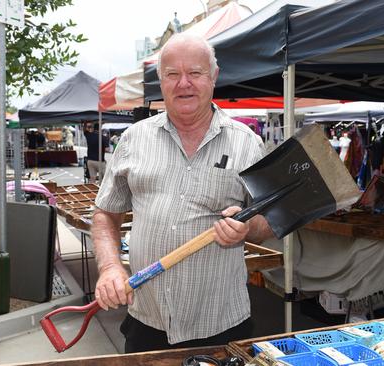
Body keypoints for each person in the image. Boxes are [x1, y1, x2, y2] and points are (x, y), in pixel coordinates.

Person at [91, 33, 273, 353]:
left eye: (195, 73)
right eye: (172, 74)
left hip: (221, 324)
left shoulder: (247, 143)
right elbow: (106, 213)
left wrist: (247, 228)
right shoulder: (134, 139)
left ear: (213, 77)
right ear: (161, 81)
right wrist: (109, 267)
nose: (183, 83)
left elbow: (269, 221)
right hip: (147, 319)